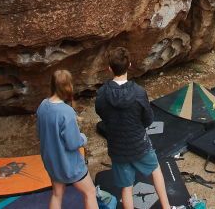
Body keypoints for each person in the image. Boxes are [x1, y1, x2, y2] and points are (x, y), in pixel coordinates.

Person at [95, 47, 177, 209]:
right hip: (139, 143)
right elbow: (148, 118)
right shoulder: (139, 92)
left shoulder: (102, 94)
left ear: (109, 68)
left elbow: (102, 114)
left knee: (127, 187)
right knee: (155, 170)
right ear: (129, 65)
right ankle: (166, 207)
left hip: (117, 146)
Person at [36, 70, 99, 209]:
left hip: (52, 162)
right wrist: (83, 137)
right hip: (69, 165)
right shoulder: (66, 112)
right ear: (68, 86)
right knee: (90, 192)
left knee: (57, 194)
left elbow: (40, 134)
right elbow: (73, 143)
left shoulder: (42, 105)